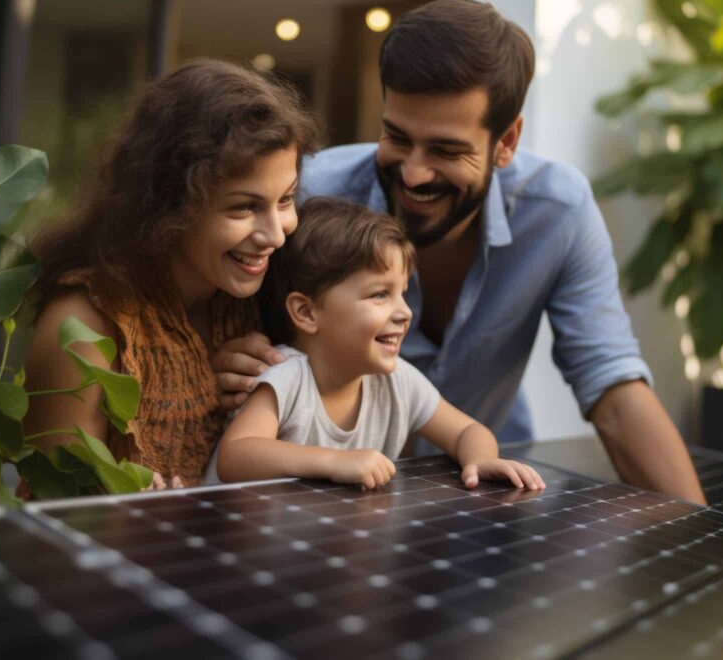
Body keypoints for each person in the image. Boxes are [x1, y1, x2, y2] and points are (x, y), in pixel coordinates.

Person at [212, 0, 706, 504]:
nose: (413, 173)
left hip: (478, 500)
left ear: (506, 141)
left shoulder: (558, 211)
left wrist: (705, 536)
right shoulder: (306, 198)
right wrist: (224, 350)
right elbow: (214, 315)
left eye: (447, 151)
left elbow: (614, 390)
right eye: (397, 137)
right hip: (320, 504)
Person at [23, 59, 317, 490]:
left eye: (286, 199)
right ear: (171, 205)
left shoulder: (263, 297)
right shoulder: (83, 328)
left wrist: (280, 376)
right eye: (244, 207)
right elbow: (51, 515)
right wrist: (124, 515)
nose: (276, 234)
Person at [216, 197, 544, 492]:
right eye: (380, 294)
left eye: (402, 292)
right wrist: (333, 461)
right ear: (306, 312)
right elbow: (237, 454)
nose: (404, 312)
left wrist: (480, 459)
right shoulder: (288, 377)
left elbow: (467, 431)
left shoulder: (398, 381)